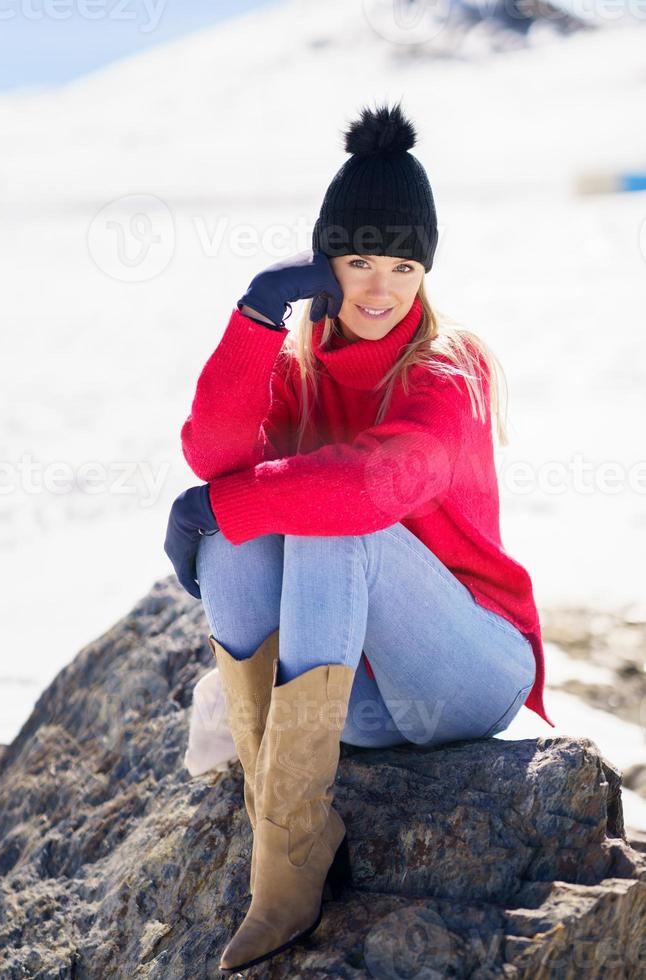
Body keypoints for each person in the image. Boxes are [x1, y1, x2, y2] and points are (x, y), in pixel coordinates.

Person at [163, 100, 554, 974]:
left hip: (472, 670)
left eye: (404, 265)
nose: (379, 288)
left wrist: (221, 502)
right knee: (235, 540)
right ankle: (296, 822)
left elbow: (371, 486)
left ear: (427, 274)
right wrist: (257, 319)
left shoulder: (449, 372)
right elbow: (213, 452)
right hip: (368, 706)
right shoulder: (300, 366)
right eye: (360, 259)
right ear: (324, 261)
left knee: (336, 525)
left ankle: (283, 884)